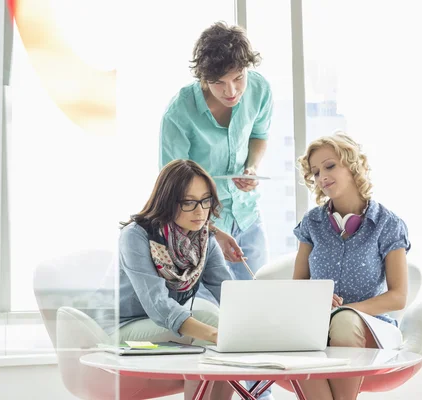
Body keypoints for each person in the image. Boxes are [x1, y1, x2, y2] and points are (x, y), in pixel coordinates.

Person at [293, 132, 410, 399]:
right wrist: (317, 300)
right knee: (294, 335)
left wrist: (346, 310)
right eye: (315, 171)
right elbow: (298, 285)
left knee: (345, 321)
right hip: (318, 325)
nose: (321, 176)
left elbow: (398, 296)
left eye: (330, 165)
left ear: (353, 166)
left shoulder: (387, 224)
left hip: (371, 327)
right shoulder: (312, 223)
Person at [159, 21, 274, 286]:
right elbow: (172, 189)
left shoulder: (259, 90)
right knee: (215, 310)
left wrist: (251, 168)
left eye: (238, 78)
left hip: (248, 216)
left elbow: (259, 135)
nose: (231, 91)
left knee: (261, 300)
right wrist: (213, 233)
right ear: (202, 77)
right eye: (218, 83)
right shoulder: (178, 114)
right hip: (202, 225)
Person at [116, 159, 234, 400]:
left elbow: (229, 292)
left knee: (221, 325)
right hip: (123, 329)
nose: (200, 211)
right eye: (189, 202)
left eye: (205, 200)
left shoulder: (204, 241)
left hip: (164, 328)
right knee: (208, 322)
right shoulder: (135, 236)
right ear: (168, 201)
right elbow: (158, 306)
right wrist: (216, 333)